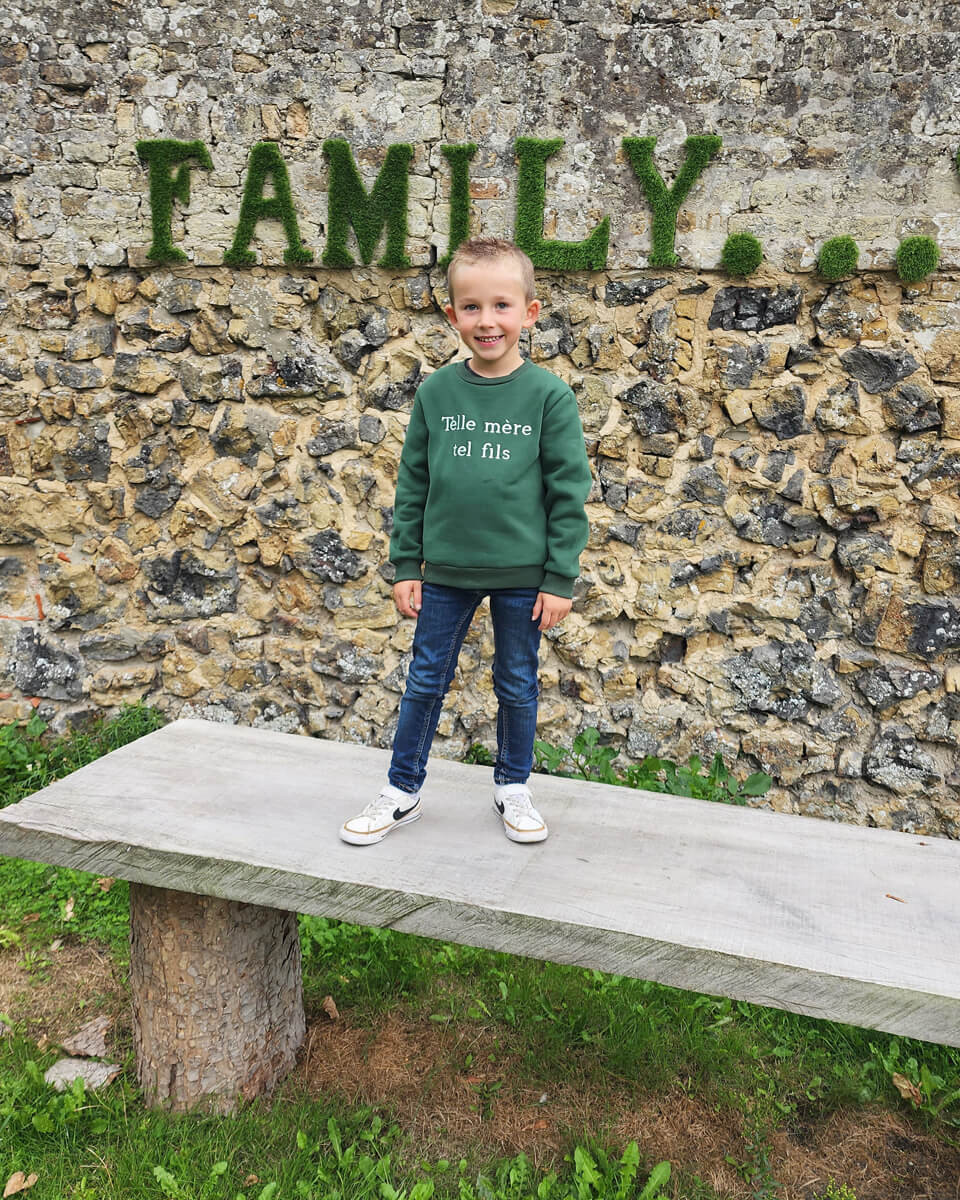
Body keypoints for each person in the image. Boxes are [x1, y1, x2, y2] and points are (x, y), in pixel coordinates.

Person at [339, 236, 592, 846]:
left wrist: (560, 578)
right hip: (446, 573)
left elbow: (568, 492)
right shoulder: (437, 393)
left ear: (529, 312)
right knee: (425, 680)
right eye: (472, 307)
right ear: (452, 314)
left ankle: (513, 786)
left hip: (523, 576)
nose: (487, 321)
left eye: (502, 305)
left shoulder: (548, 396)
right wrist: (406, 564)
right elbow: (413, 483)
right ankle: (402, 790)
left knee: (517, 683)